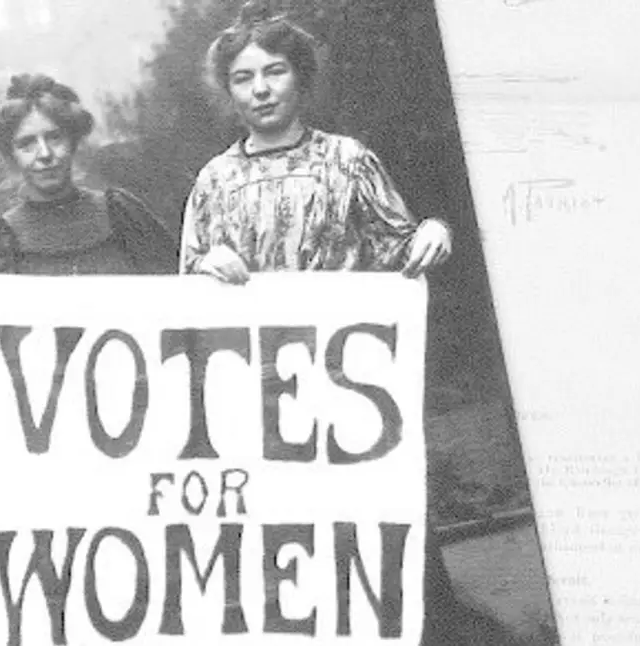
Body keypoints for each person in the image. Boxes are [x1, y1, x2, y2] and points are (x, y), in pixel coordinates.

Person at [180, 3, 508, 645]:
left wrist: (435, 232)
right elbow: (186, 300)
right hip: (262, 402)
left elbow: (400, 246)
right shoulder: (214, 182)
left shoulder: (348, 161)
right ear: (229, 91)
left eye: (275, 72)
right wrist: (204, 265)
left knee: (383, 534)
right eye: (245, 78)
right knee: (293, 545)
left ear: (300, 77)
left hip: (349, 391)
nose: (262, 89)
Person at [0, 73, 179, 397]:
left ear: (73, 141)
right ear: (11, 155)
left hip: (141, 403)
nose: (44, 154)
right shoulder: (2, 241)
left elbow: (180, 306)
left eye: (55, 137)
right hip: (57, 424)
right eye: (26, 144)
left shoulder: (121, 214)